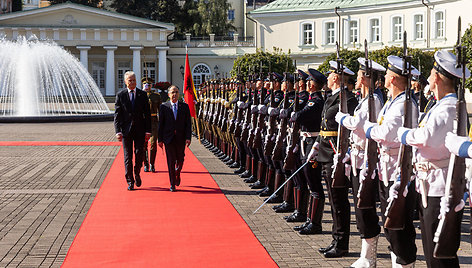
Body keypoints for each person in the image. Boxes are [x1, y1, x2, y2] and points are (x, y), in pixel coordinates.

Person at [398, 50, 470, 268]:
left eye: (430, 75)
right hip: (430, 184)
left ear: (437, 78)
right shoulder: (440, 106)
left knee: (439, 254)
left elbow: (426, 137)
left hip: (439, 187)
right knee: (433, 250)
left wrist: (404, 134)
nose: (428, 80)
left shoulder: (447, 109)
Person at [363, 56, 420, 267]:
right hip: (387, 168)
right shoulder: (393, 102)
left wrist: (369, 130)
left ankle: (404, 263)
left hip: (399, 170)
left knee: (399, 227)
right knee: (390, 224)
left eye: (388, 74)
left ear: (394, 79)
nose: (384, 77)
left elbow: (387, 133)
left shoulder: (401, 105)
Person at [335, 57, 385, 267]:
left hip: (366, 159)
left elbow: (360, 125)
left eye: (359, 74)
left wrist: (343, 118)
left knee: (365, 207)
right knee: (360, 206)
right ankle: (366, 255)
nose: (356, 78)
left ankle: (369, 257)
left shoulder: (373, 100)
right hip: (357, 157)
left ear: (365, 78)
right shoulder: (366, 100)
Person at [309, 61, 358, 258]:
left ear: (336, 78)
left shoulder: (349, 99)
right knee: (333, 200)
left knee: (339, 201)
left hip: (336, 154)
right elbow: (324, 125)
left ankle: (342, 243)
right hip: (326, 151)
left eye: (329, 75)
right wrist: (316, 146)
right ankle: (335, 240)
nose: (327, 78)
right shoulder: (332, 97)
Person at [114, 71, 151, 191]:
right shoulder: (121, 95)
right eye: (130, 80)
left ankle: (137, 172)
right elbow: (117, 115)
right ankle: (130, 180)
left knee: (139, 153)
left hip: (140, 130)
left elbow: (147, 114)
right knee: (127, 156)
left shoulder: (142, 94)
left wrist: (148, 131)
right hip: (126, 131)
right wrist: (117, 131)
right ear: (125, 82)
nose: (132, 82)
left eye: (134, 80)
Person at [158, 85, 192, 192]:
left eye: (176, 92)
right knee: (171, 161)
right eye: (172, 92)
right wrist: (160, 139)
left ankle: (178, 172)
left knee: (180, 159)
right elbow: (161, 125)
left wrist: (188, 137)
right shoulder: (164, 107)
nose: (174, 94)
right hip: (169, 139)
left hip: (181, 138)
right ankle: (172, 184)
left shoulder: (184, 107)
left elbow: (188, 124)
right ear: (168, 94)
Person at [142, 77, 162, 173]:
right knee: (144, 144)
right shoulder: (140, 95)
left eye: (149, 85)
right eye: (145, 85)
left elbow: (160, 110)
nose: (147, 86)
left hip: (154, 121)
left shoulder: (156, 96)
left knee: (153, 143)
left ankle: (152, 164)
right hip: (144, 122)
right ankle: (145, 163)